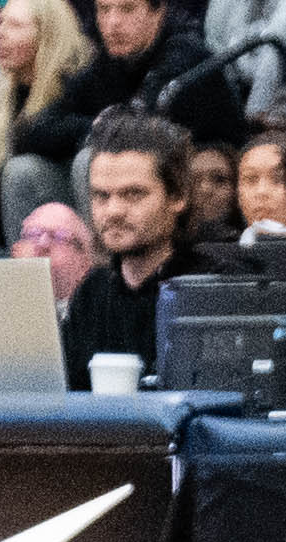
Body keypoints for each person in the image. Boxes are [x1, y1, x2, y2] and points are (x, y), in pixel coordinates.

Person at [60, 113, 198, 389]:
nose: (113, 211)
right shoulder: (91, 293)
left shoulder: (208, 288)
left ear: (178, 196)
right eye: (101, 196)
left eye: (133, 194)